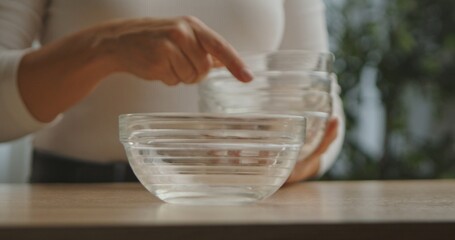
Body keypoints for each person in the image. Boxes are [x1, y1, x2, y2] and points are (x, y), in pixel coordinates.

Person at [0, 0, 344, 183]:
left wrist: (298, 162)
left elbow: (321, 101)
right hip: (76, 207)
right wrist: (106, 47)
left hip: (242, 204)